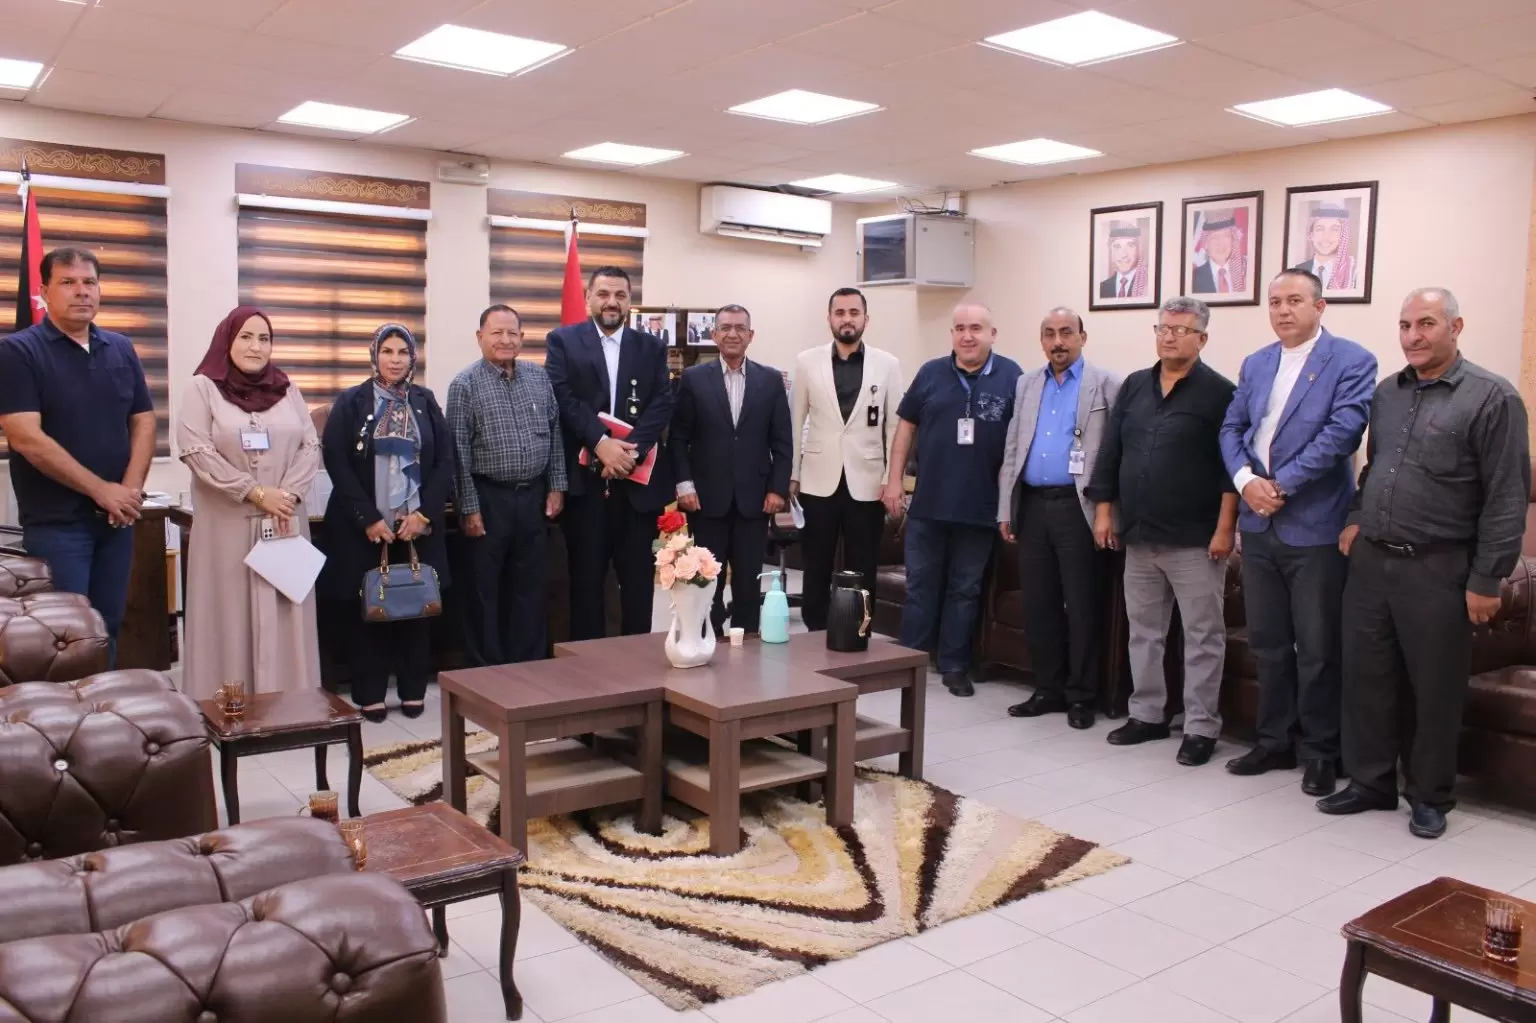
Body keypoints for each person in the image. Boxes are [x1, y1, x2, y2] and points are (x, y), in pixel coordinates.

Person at [1321, 288, 1530, 838]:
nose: (1413, 336)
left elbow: (1507, 497)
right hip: (1372, 563)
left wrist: (1488, 578)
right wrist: (1356, 516)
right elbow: (1376, 468)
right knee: (1366, 678)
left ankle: (1430, 795)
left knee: (1434, 689)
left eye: (1427, 324)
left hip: (1439, 567)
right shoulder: (1388, 393)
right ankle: (1370, 782)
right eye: (1405, 325)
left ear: (1456, 327)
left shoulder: (1493, 397)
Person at [1219, 270, 1376, 794]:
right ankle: (1274, 741)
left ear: (1320, 306)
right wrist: (1246, 482)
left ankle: (1323, 751)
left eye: (1294, 301)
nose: (1283, 310)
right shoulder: (1257, 362)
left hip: (1314, 527)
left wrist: (1279, 486)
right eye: (1274, 302)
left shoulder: (1351, 361)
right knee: (1267, 643)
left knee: (1317, 648)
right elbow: (1232, 428)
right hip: (1258, 524)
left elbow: (1341, 434)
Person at [1087, 296, 1238, 766]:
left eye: (1180, 330)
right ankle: (1148, 715)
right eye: (1163, 328)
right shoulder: (1135, 385)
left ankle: (1200, 726)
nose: (1169, 336)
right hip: (1138, 534)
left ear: (1202, 339)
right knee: (1144, 632)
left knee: (1202, 636)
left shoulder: (1221, 393)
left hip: (1196, 539)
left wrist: (1225, 529)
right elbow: (1111, 452)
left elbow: (1230, 469)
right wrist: (1105, 512)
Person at [0, 247, 154, 658]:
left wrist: (129, 491)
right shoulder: (19, 352)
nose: (81, 291)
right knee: (66, 638)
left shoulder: (120, 348)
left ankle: (103, 700)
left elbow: (143, 421)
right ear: (44, 291)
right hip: (58, 524)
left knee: (107, 626)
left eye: (89, 282)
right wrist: (101, 490)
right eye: (68, 282)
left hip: (116, 521)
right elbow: (26, 437)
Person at [175, 305, 321, 700]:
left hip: (284, 522)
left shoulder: (287, 389)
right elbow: (196, 451)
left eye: (264, 338)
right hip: (227, 528)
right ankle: (226, 706)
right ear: (227, 340)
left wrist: (288, 494)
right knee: (229, 616)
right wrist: (256, 493)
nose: (256, 347)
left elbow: (310, 445)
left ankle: (290, 703)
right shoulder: (202, 388)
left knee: (286, 609)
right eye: (246, 337)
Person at [883, 303, 1021, 696]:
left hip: (980, 508)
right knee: (921, 587)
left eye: (976, 328)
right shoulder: (931, 373)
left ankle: (954, 665)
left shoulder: (1013, 377)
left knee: (965, 589)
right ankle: (908, 662)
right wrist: (893, 481)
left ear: (992, 334)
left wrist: (1009, 505)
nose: (967, 336)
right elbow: (905, 429)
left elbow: (1018, 444)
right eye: (960, 328)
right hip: (929, 506)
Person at [321, 324, 454, 721]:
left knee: (416, 607)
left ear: (413, 358)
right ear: (374, 355)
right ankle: (370, 693)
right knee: (369, 609)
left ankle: (413, 690)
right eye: (387, 351)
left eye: (402, 352)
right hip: (365, 529)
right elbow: (336, 461)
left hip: (416, 527)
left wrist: (424, 514)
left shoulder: (425, 401)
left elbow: (445, 460)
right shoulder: (351, 401)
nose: (395, 360)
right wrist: (368, 518)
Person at [998, 307, 1122, 727]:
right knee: (1040, 603)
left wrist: (1108, 510)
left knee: (1082, 604)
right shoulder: (1027, 383)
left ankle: (1082, 695)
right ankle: (1047, 688)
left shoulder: (1106, 384)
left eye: (1066, 333)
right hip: (1033, 505)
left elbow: (1114, 454)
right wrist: (1006, 507)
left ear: (1082, 337)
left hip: (1078, 506)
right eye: (1049, 334)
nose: (1058, 342)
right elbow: (1013, 447)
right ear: (1041, 340)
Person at [547, 267, 674, 638]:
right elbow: (562, 396)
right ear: (588, 297)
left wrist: (629, 454)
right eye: (603, 294)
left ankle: (637, 662)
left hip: (638, 490)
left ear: (630, 301)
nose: (611, 302)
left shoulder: (651, 347)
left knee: (638, 585)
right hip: (586, 487)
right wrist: (601, 443)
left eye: (620, 295)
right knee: (586, 584)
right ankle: (588, 666)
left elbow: (662, 402)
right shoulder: (563, 341)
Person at [446, 305, 565, 664]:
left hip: (532, 498)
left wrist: (556, 485)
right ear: (480, 337)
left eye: (513, 333)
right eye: (496, 332)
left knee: (530, 588)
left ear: (522, 337)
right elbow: (457, 452)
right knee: (484, 591)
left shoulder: (538, 377)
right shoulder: (464, 384)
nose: (505, 340)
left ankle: (528, 668)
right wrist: (468, 507)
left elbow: (555, 435)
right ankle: (486, 674)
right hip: (488, 499)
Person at [669, 304, 792, 635]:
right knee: (707, 580)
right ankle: (708, 640)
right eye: (725, 328)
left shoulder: (770, 380)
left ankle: (747, 642)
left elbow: (782, 441)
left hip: (756, 499)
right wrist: (684, 486)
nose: (733, 334)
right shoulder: (694, 379)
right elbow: (678, 438)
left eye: (740, 328)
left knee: (750, 580)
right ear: (714, 335)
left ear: (751, 335)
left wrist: (778, 489)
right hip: (706, 499)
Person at [790, 287, 904, 631]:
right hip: (817, 479)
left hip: (867, 481)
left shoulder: (888, 364)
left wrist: (892, 478)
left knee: (862, 565)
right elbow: (795, 422)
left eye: (854, 313)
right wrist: (793, 474)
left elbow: (894, 427)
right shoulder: (807, 362)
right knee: (816, 562)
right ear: (829, 319)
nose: (847, 319)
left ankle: (858, 630)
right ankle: (815, 630)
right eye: (840, 313)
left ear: (866, 319)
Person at [1292, 204, 1358, 293]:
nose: (1326, 236)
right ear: (1310, 235)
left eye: (1334, 229)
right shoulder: (1297, 271)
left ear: (1342, 236)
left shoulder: (1353, 272)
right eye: (1320, 229)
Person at [1191, 211, 1245, 295]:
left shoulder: (1245, 275)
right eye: (1215, 237)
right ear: (1206, 244)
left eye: (1226, 235)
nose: (1221, 242)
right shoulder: (1193, 278)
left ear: (1233, 241)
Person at [1098, 222, 1147, 300]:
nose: (1123, 254)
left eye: (1130, 245)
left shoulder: (1147, 285)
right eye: (1117, 246)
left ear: (1139, 249)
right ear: (1110, 250)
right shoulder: (1102, 288)